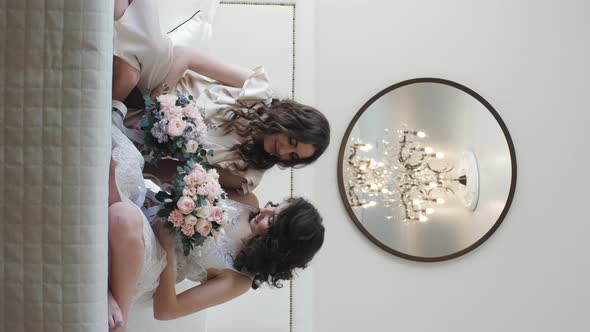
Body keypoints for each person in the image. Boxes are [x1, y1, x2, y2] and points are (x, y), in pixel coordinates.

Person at [107, 115, 325, 331]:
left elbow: (166, 310)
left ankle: (119, 320)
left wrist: (166, 242)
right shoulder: (249, 203)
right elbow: (188, 177)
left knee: (124, 216)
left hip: (154, 258)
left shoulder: (239, 279)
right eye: (275, 205)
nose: (265, 210)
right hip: (153, 205)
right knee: (119, 156)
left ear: (278, 243)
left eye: (272, 219)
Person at [112, 0, 330, 195]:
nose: (283, 151)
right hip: (160, 79)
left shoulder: (247, 174)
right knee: (151, 38)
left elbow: (175, 171)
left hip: (146, 134)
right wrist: (158, 101)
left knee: (128, 63)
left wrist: (134, 158)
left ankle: (114, 121)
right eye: (291, 142)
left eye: (292, 157)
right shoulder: (258, 90)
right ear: (292, 120)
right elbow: (185, 56)